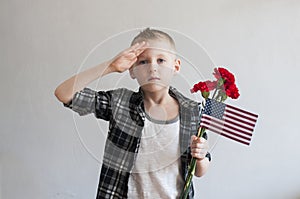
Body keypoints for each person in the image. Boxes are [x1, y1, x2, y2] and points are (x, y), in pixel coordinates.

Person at [54, 28, 211, 199]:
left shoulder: (193, 111)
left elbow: (199, 172)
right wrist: (110, 66)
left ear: (175, 66)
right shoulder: (120, 103)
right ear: (132, 70)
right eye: (143, 62)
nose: (153, 68)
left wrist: (201, 157)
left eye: (160, 60)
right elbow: (64, 93)